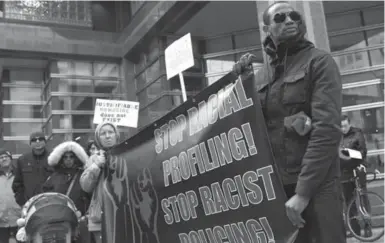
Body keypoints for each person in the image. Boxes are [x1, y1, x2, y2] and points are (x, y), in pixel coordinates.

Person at [233, 1, 345, 242]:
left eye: (294, 16)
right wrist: (240, 84)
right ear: (266, 29)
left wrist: (303, 193)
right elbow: (248, 129)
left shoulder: (319, 62)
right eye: (280, 18)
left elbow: (327, 130)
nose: (289, 20)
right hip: (278, 190)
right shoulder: (261, 75)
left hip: (318, 187)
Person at [80, 122, 120, 243]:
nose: (107, 136)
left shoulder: (127, 154)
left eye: (110, 132)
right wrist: (96, 166)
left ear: (116, 135)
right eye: (103, 133)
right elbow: (85, 186)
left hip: (123, 215)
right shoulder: (93, 159)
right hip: (100, 218)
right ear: (98, 138)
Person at [339, 114, 370, 237]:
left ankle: (368, 227)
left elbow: (363, 151)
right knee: (349, 200)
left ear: (349, 124)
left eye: (345, 126)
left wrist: (350, 153)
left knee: (363, 198)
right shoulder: (337, 137)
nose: (343, 129)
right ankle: (355, 230)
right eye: (341, 127)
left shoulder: (357, 133)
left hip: (357, 168)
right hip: (345, 171)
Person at [12, 131, 52, 207]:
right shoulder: (22, 160)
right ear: (30, 143)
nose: (37, 141)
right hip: (30, 205)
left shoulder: (54, 158)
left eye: (40, 139)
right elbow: (17, 184)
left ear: (45, 142)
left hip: (50, 204)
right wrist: (22, 202)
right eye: (34, 140)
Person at [0, 149, 21, 243]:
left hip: (19, 220)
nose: (4, 159)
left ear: (11, 159)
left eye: (6, 156)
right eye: (1, 157)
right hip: (1, 222)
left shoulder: (19, 175)